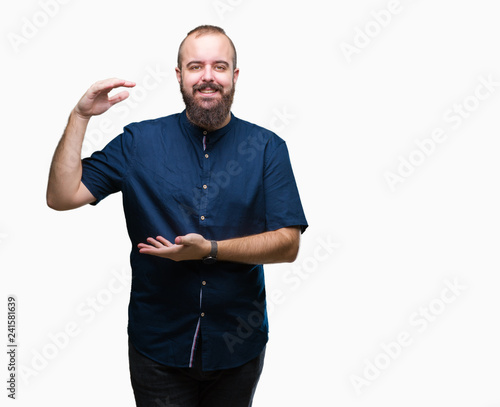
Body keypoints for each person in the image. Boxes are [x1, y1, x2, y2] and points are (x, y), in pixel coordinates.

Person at [46, 25, 308, 407]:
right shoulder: (139, 143)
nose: (207, 77)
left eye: (219, 67)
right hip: (158, 346)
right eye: (195, 66)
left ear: (234, 77)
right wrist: (80, 116)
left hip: (238, 346)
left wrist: (210, 250)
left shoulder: (267, 147)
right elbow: (61, 195)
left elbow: (288, 244)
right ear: (179, 76)